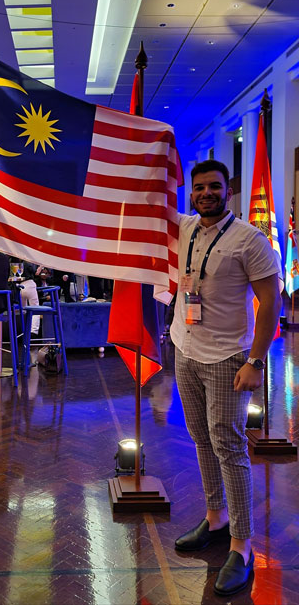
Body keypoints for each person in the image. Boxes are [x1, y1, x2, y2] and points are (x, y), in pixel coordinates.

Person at [171, 160, 281, 597]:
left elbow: (271, 301)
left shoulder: (249, 240)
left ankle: (242, 544)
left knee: (230, 446)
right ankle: (215, 517)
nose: (205, 194)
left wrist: (256, 361)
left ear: (228, 191)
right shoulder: (184, 226)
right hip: (185, 349)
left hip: (227, 357)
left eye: (214, 187)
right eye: (199, 188)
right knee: (200, 438)